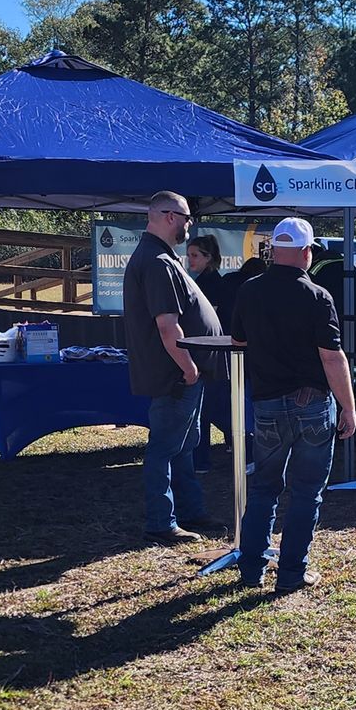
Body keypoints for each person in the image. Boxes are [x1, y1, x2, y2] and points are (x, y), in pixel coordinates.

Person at [230, 218, 356, 592]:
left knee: (264, 488)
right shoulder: (318, 296)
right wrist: (348, 408)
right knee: (306, 492)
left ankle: (251, 570)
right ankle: (291, 574)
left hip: (267, 403)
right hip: (313, 405)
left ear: (273, 251)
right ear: (307, 252)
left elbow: (238, 342)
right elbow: (332, 358)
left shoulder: (249, 290)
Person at [122, 191, 224, 542]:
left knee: (182, 445)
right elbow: (168, 326)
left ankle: (189, 512)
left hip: (179, 373)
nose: (188, 224)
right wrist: (190, 368)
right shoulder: (156, 261)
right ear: (168, 216)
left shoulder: (160, 257)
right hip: (176, 375)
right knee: (165, 447)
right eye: (185, 217)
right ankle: (162, 522)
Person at [309, 239, 356, 442]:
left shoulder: (316, 270)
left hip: (335, 326)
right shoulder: (349, 265)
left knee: (337, 377)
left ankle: (340, 430)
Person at [184, 234, 236, 473]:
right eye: (189, 254)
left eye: (195, 255)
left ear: (209, 257)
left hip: (213, 354)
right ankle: (201, 459)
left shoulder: (212, 284)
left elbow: (206, 322)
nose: (189, 259)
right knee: (207, 410)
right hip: (207, 352)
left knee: (213, 409)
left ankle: (250, 447)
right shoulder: (202, 281)